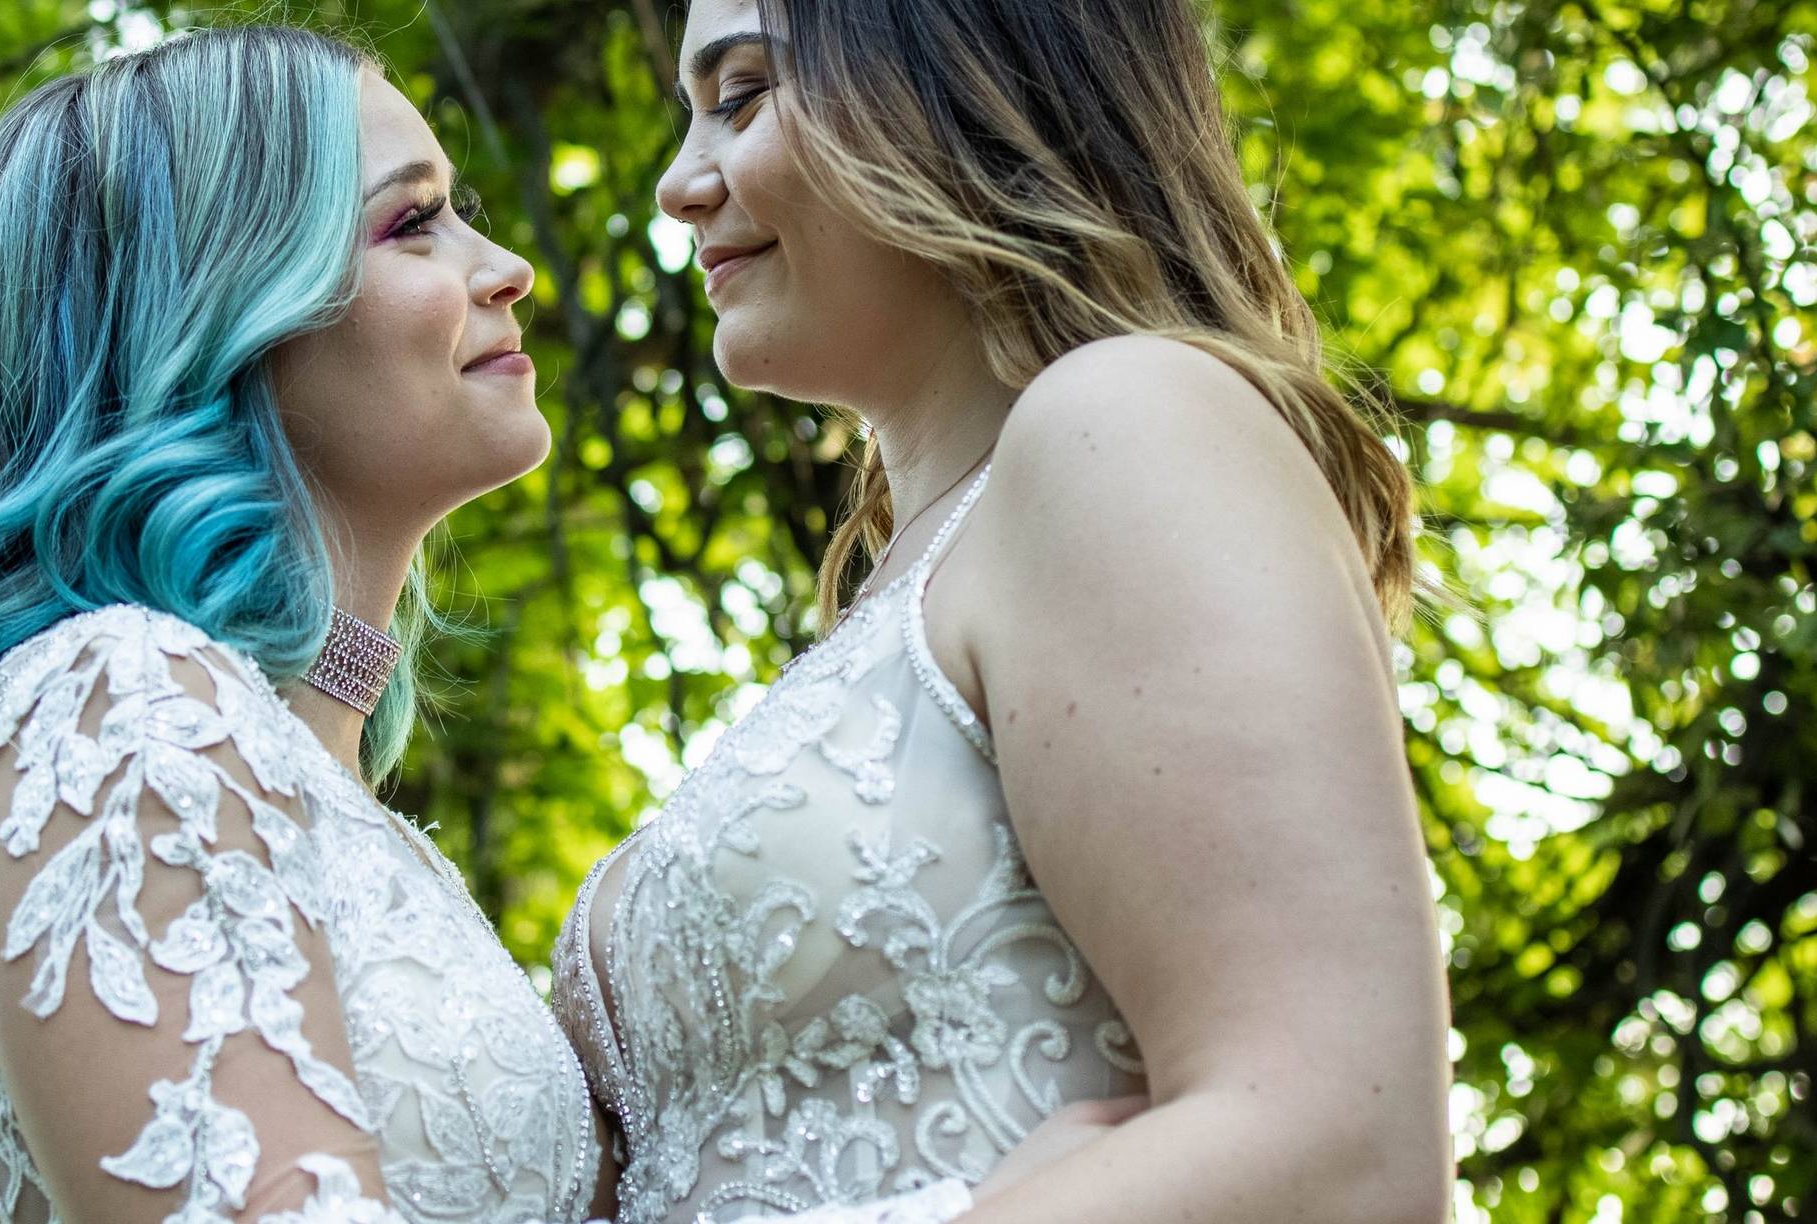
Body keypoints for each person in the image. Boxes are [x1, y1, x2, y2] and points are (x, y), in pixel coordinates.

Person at [551, 1, 1455, 1221]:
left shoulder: (1127, 419)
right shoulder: (910, 581)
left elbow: (1342, 1144)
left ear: (952, 80)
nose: (679, 184)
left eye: (744, 94)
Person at [0, 27, 608, 1223]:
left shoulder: (295, 776)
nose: (505, 267)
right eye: (414, 223)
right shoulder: (113, 702)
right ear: (212, 310)